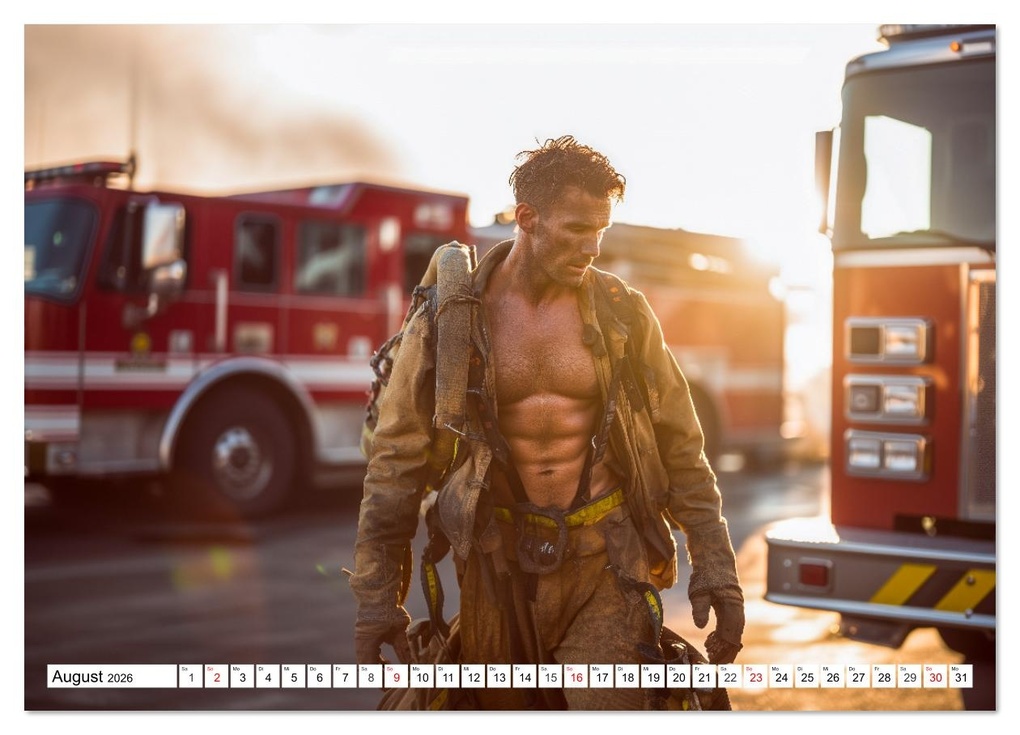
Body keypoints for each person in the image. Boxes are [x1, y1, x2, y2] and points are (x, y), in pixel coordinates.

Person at [351, 135, 744, 710]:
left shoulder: (624, 314)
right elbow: (396, 463)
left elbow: (683, 449)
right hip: (497, 567)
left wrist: (716, 569)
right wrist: (376, 598)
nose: (593, 247)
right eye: (577, 229)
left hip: (605, 560)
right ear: (527, 218)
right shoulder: (452, 323)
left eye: (601, 230)